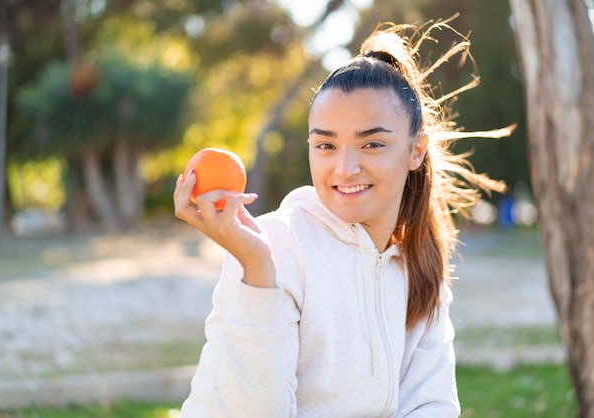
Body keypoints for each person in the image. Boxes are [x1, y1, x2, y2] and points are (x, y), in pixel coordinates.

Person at [174, 19, 506, 418]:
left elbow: (431, 405)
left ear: (416, 151)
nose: (345, 168)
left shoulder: (421, 265)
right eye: (326, 144)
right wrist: (258, 270)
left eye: (372, 144)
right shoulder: (273, 246)